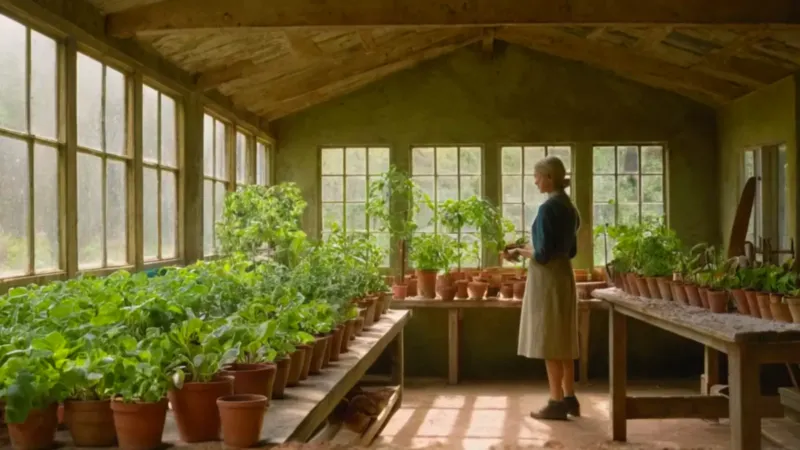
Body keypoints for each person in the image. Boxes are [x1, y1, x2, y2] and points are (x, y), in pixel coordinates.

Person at [509, 155, 581, 421]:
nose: (535, 181)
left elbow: (541, 255)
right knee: (563, 338)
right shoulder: (570, 208)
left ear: (550, 177)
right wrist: (524, 249)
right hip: (564, 275)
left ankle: (555, 401)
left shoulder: (548, 209)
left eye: (538, 176)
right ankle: (570, 397)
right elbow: (567, 250)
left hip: (548, 278)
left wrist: (518, 251)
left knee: (550, 339)